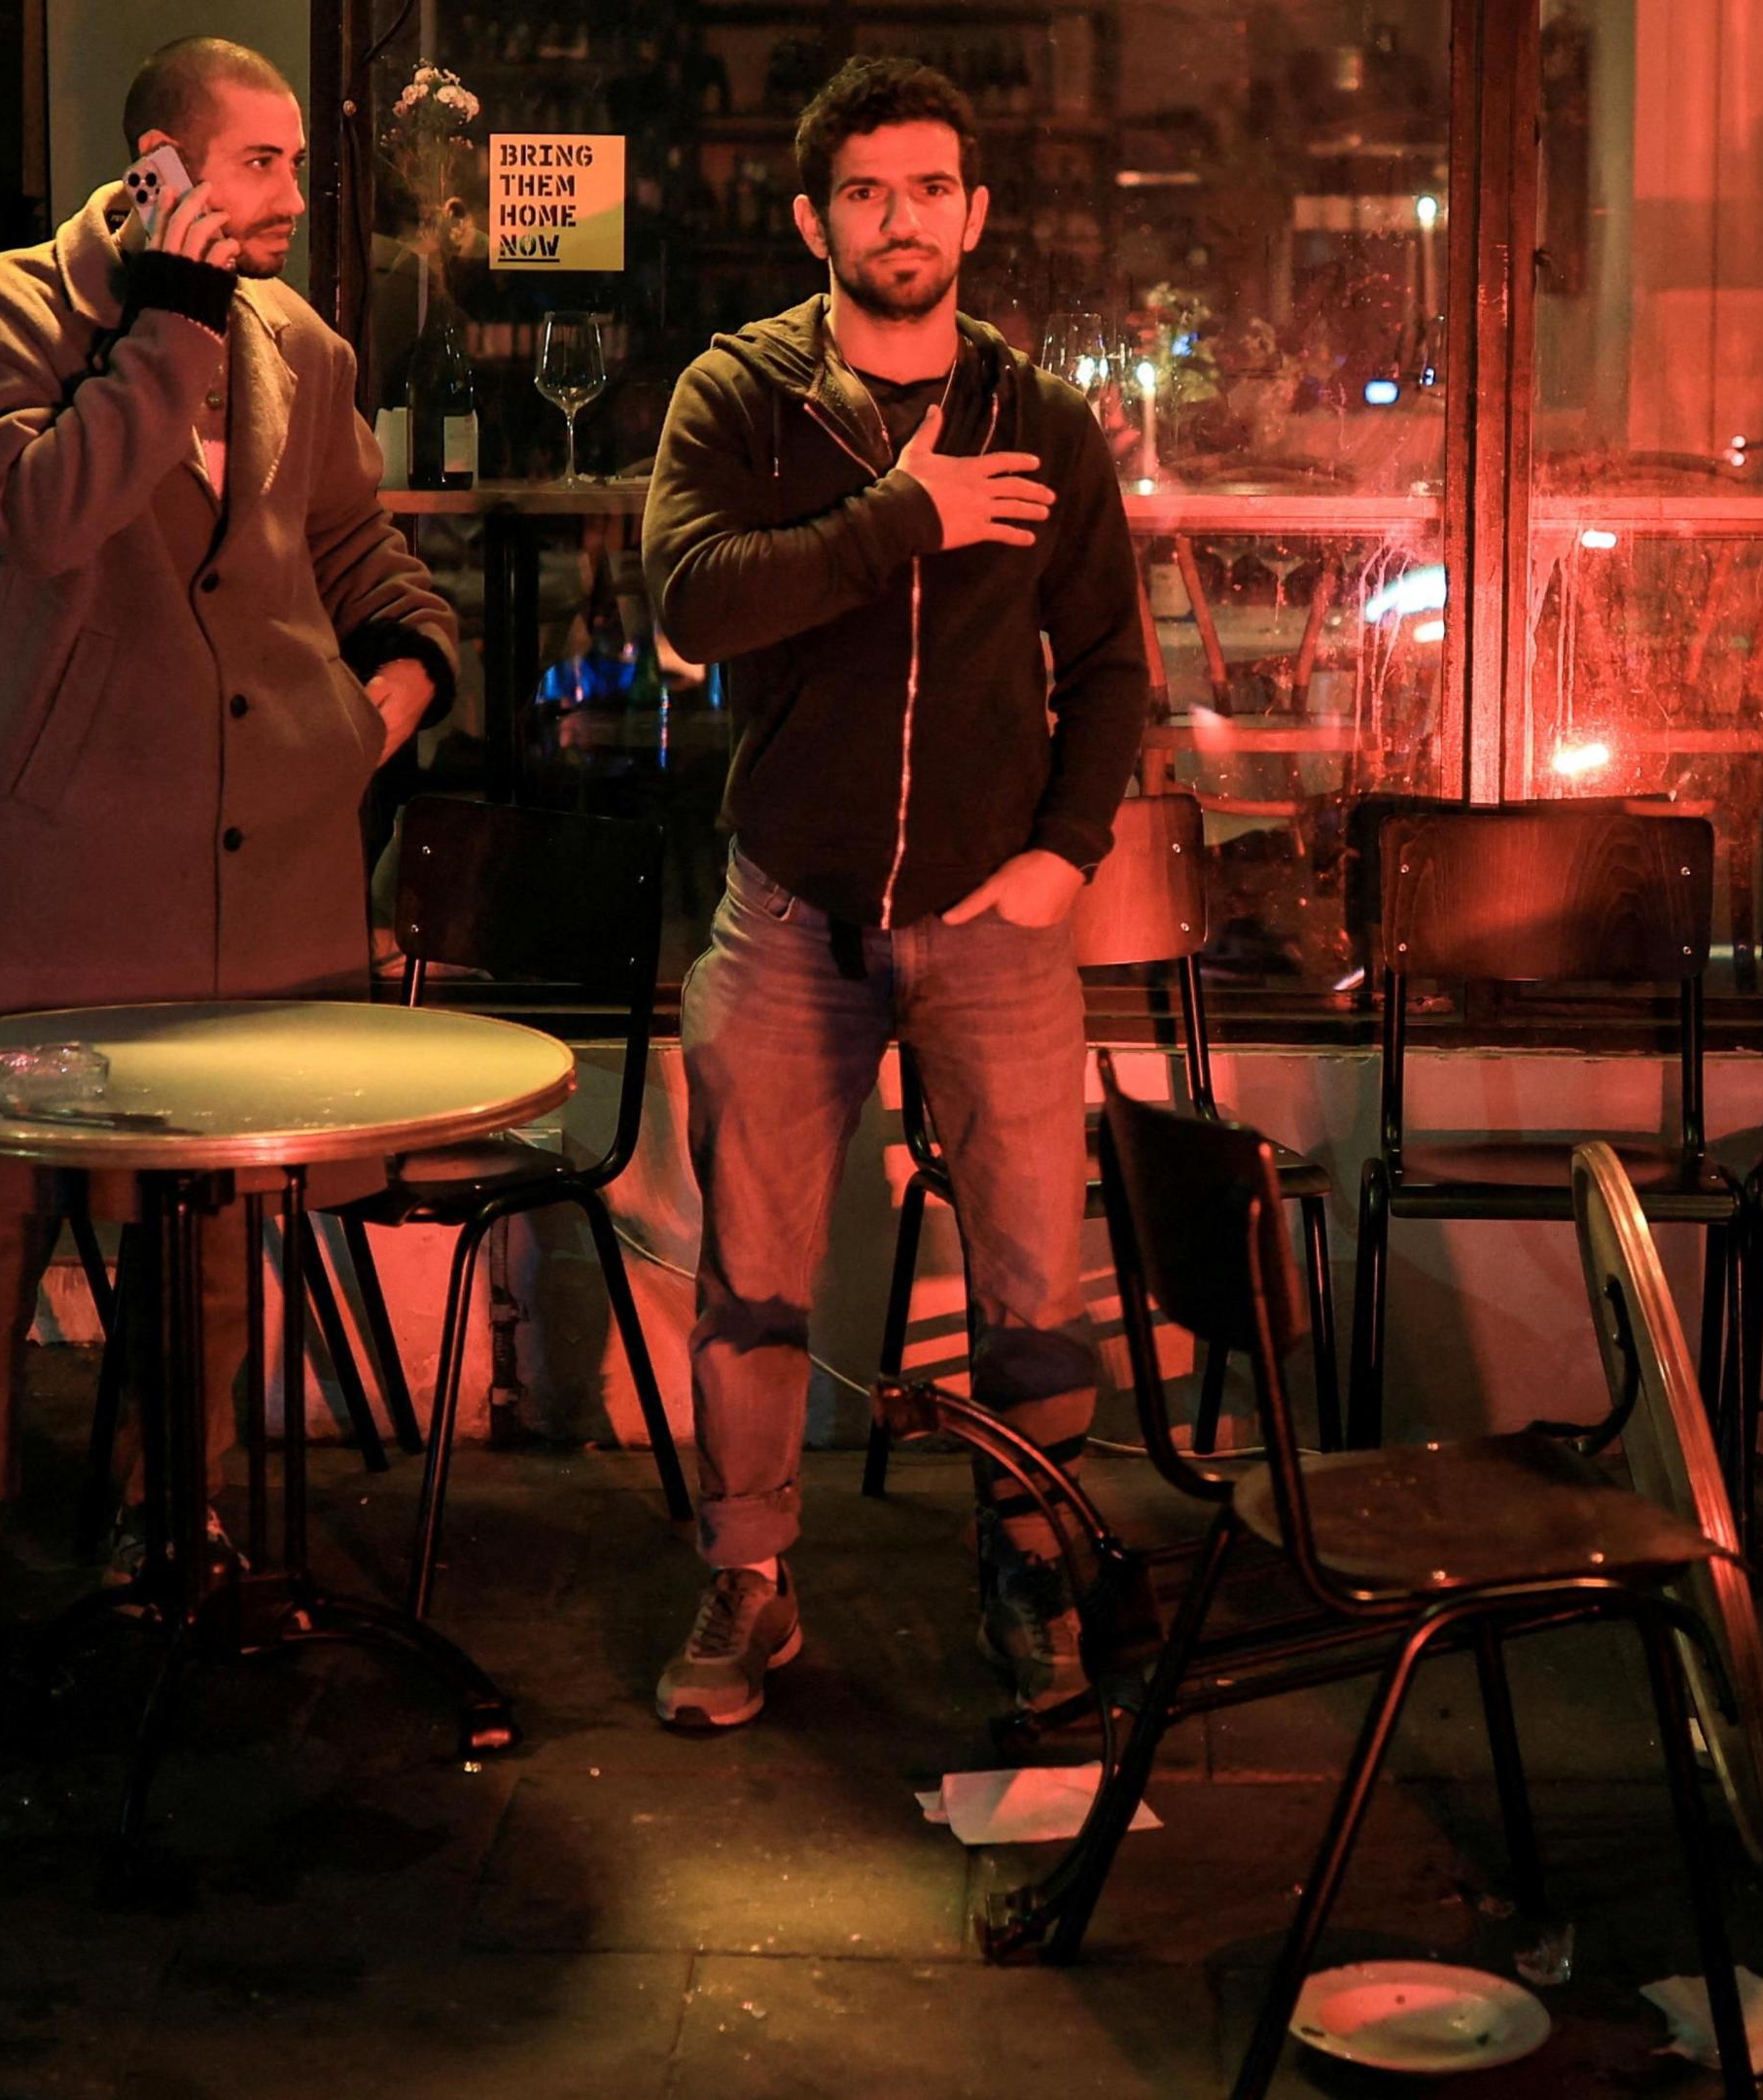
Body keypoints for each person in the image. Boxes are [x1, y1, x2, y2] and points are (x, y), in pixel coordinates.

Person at [0, 38, 457, 1675]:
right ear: (158, 168)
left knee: (206, 1216)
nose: (287, 194)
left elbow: (352, 548)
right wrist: (170, 331)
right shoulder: (0, 311)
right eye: (256, 162)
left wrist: (388, 699)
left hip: (250, 840)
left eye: (291, 163)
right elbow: (47, 512)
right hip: (50, 843)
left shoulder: (308, 346)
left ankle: (169, 1508)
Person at [641, 56, 1144, 1730]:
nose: (901, 218)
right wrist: (898, 519)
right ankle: (750, 1581)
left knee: (1028, 1279)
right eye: (867, 191)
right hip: (789, 910)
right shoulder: (738, 396)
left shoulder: (1043, 421)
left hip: (989, 927)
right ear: (813, 219)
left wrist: (1062, 859)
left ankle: (1028, 1563)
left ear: (976, 214)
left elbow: (1115, 667)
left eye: (929, 188)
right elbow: (695, 602)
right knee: (756, 1272)